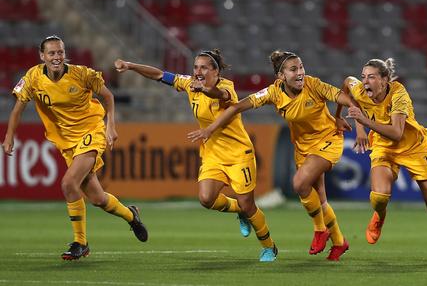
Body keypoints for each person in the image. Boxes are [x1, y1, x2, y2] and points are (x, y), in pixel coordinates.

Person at [188, 50, 356, 261]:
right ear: (281, 76)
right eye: (293, 69)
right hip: (302, 146)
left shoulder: (314, 85)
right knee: (319, 197)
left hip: (328, 140)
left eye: (301, 67)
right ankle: (339, 242)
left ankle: (320, 230)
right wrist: (211, 128)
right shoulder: (274, 92)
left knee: (300, 183)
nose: (300, 73)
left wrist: (354, 123)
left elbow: (344, 97)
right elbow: (238, 106)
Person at [114, 49, 278, 262]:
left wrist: (205, 90)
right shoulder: (190, 83)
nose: (198, 71)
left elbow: (220, 95)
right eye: (195, 67)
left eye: (203, 67)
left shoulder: (226, 87)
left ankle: (268, 247)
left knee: (249, 204)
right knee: (206, 198)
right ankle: (239, 210)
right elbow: (160, 75)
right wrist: (131, 65)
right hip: (213, 154)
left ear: (216, 71)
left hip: (239, 153)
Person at [2, 36, 148, 261]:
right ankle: (132, 216)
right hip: (67, 141)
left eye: (60, 52)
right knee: (98, 199)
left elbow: (108, 96)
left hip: (91, 132)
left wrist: (110, 126)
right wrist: (10, 135)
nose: (57, 57)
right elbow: (18, 108)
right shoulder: (32, 77)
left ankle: (80, 242)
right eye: (51, 53)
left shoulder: (82, 74)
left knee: (68, 183)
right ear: (42, 56)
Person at [339, 58, 427, 263]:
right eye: (364, 77)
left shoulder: (399, 95)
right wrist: (356, 126)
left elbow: (397, 133)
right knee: (379, 197)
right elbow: (347, 83)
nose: (365, 82)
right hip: (383, 146)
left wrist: (364, 121)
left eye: (371, 77)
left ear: (384, 80)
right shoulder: (361, 91)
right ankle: (379, 216)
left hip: (414, 147)